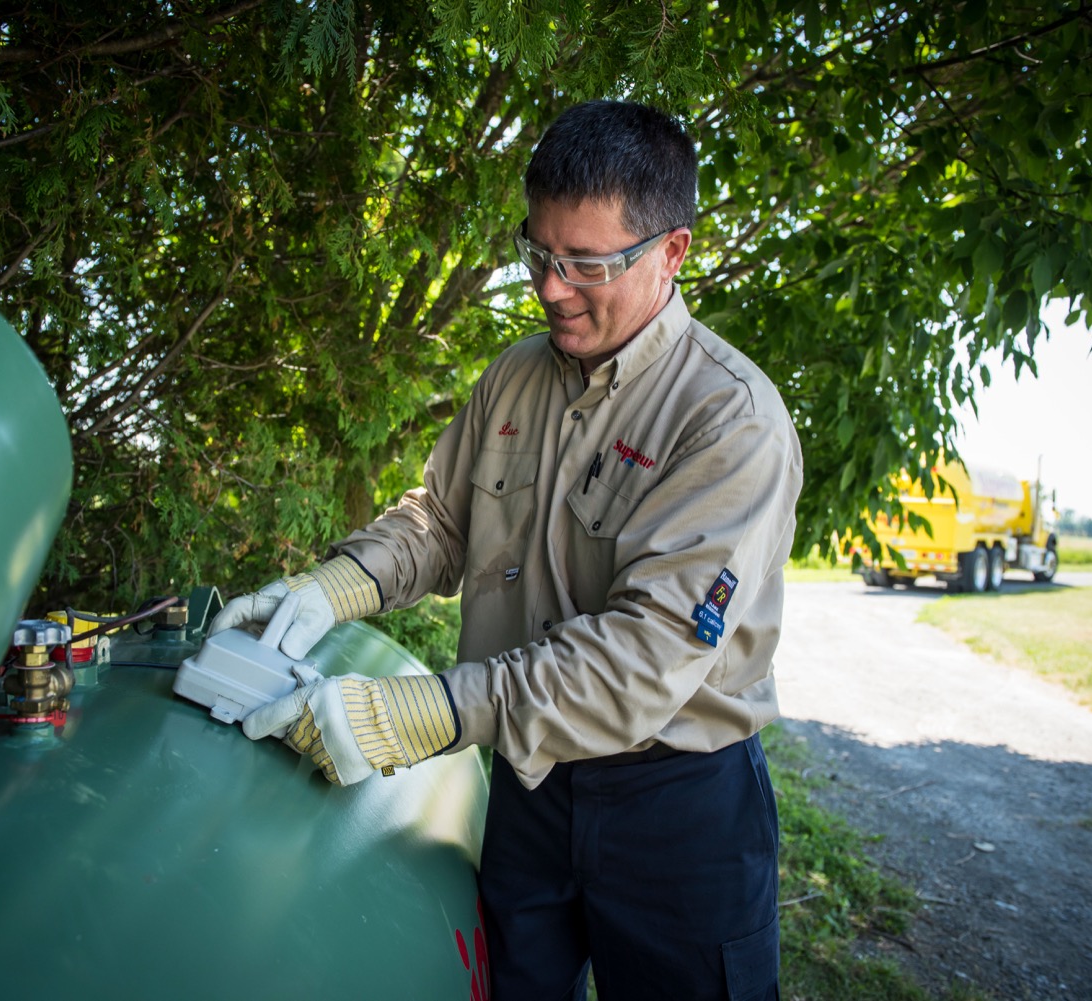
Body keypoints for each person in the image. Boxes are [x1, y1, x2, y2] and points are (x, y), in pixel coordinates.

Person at [213, 99, 802, 1001]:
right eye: (539, 253)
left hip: (676, 809)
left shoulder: (729, 419)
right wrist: (335, 585)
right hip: (529, 783)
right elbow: (442, 521)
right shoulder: (517, 374)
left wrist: (414, 714)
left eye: (587, 264)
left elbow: (640, 660)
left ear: (672, 252)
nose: (552, 288)